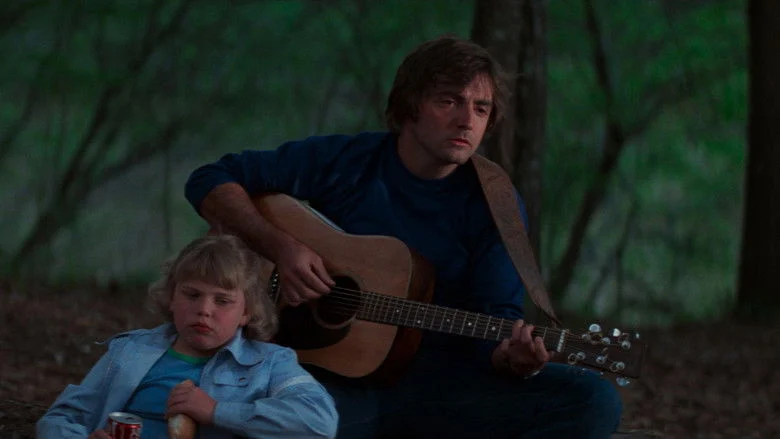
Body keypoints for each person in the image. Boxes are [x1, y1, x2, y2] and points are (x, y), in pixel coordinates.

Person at [184, 35, 623, 438]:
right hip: (324, 377)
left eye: (481, 108)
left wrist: (512, 359)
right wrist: (281, 247)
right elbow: (210, 179)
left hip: (441, 387)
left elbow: (495, 321)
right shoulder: (347, 161)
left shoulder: (496, 205)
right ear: (410, 105)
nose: (466, 121)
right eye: (449, 101)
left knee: (593, 399)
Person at [36, 235, 338, 439]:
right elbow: (61, 417)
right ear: (171, 297)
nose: (204, 310)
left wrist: (216, 411)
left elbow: (319, 421)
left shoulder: (270, 363)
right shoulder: (130, 350)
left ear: (247, 312)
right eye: (192, 295)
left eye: (222, 300)